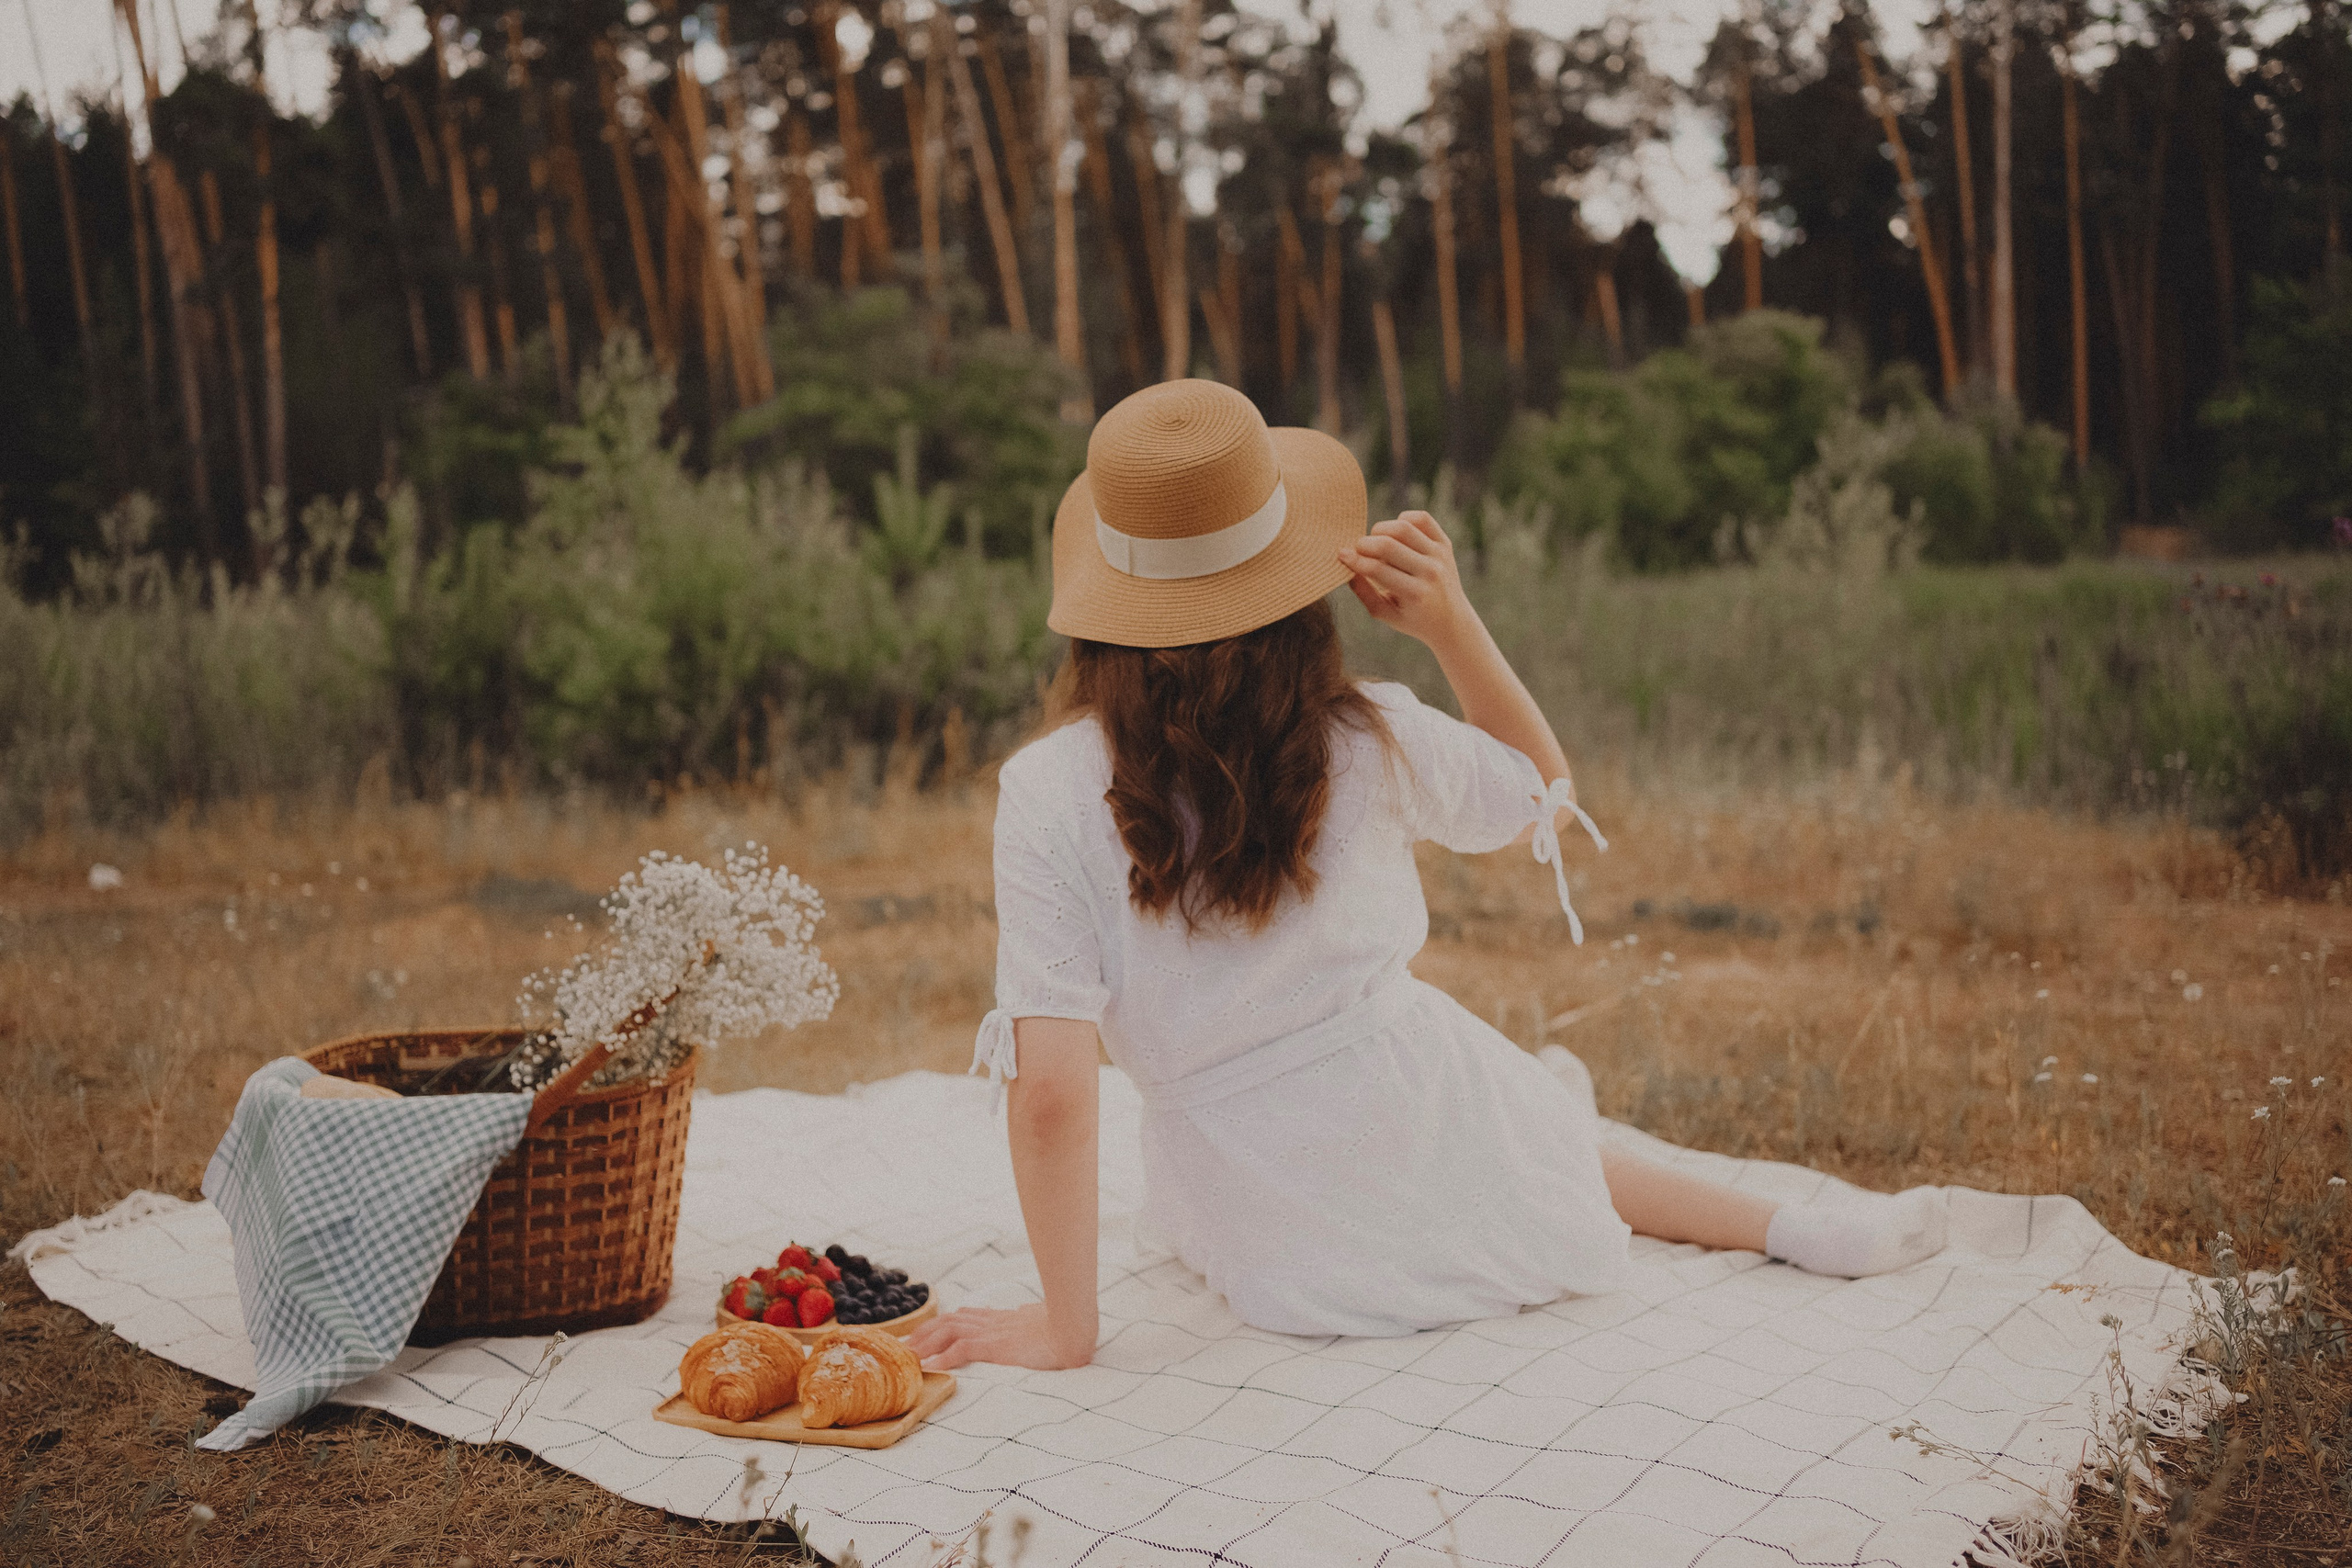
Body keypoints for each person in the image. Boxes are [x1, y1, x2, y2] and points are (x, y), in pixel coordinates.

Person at [906, 382, 1947, 1373]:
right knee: (1550, 1139)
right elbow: (1542, 796)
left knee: (1542, 1122)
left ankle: (1765, 1218)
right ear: (1298, 587)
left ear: (1105, 607)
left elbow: (1049, 1094)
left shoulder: (1045, 789)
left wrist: (1066, 1327)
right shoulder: (1374, 731)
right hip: (1419, 1093)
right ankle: (1787, 1228)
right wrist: (1452, 622)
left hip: (1263, 1212)